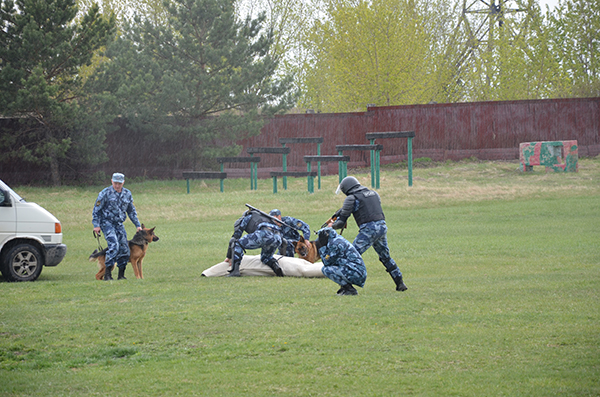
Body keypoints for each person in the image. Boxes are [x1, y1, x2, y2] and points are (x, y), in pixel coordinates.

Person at [329, 176, 408, 291]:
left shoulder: (352, 197)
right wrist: (338, 213)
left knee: (350, 256)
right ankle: (400, 283)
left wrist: (332, 226)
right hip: (381, 227)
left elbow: (341, 223)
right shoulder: (373, 193)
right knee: (385, 257)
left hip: (368, 230)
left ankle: (346, 287)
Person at [92, 173, 142, 281]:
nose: (117, 186)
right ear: (111, 181)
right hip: (107, 223)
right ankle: (108, 274)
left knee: (124, 248)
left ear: (123, 182)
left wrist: (137, 225)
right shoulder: (105, 193)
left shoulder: (127, 194)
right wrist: (96, 225)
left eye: (119, 183)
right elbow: (96, 210)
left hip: (119, 224)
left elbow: (131, 211)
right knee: (114, 245)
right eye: (115, 183)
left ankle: (121, 275)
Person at [225, 208, 284, 277]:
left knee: (237, 243)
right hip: (278, 237)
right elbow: (284, 242)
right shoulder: (266, 218)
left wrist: (229, 256)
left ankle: (235, 271)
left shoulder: (246, 218)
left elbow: (234, 239)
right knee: (266, 258)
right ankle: (276, 268)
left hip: (264, 234)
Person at [315, 227, 366, 295]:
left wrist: (322, 247)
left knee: (326, 270)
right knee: (334, 266)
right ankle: (345, 288)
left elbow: (327, 262)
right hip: (358, 271)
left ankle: (349, 289)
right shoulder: (338, 239)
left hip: (356, 273)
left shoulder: (333, 244)